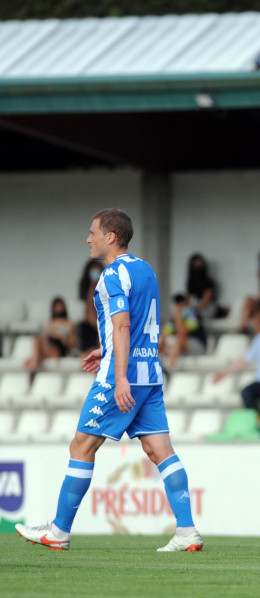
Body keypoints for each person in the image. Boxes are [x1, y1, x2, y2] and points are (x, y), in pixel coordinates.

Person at [15, 208, 202, 552]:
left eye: (93, 232)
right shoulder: (146, 270)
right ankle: (188, 530)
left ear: (110, 237)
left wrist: (118, 375)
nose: (88, 238)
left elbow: (122, 325)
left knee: (81, 446)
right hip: (150, 374)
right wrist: (106, 349)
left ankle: (58, 531)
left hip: (124, 376)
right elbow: (142, 323)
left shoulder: (111, 275)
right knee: (160, 450)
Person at [24, 297, 77, 372]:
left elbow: (72, 344)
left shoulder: (69, 324)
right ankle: (34, 368)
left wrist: (60, 336)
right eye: (57, 306)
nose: (59, 308)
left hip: (59, 348)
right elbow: (45, 339)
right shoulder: (50, 323)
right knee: (36, 339)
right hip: (48, 346)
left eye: (60, 306)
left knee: (29, 362)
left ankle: (33, 369)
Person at [159, 293, 207, 370]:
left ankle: (169, 367)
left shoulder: (192, 314)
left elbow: (183, 332)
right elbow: (165, 334)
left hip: (198, 346)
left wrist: (178, 317)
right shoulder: (173, 317)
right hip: (180, 348)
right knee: (160, 341)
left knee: (179, 337)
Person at [186, 253, 227, 321]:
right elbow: (187, 300)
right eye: (196, 263)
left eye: (200, 263)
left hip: (207, 309)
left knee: (190, 316)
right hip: (196, 308)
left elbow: (205, 302)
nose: (198, 266)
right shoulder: (191, 282)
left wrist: (193, 310)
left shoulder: (208, 282)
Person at [76, 259, 104, 354]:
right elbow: (88, 311)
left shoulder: (105, 285)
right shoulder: (85, 287)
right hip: (91, 325)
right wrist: (92, 286)